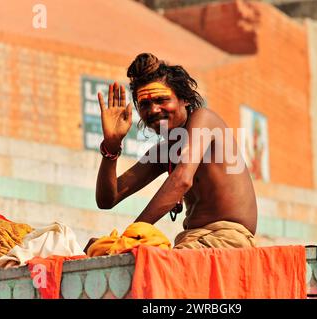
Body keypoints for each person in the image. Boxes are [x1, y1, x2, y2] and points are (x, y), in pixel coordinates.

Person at [92, 53, 258, 250]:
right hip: (192, 241)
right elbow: (107, 199)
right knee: (97, 249)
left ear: (184, 100)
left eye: (162, 100)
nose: (153, 110)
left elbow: (182, 179)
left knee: (136, 260)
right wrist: (111, 146)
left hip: (228, 239)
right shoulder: (165, 151)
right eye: (145, 104)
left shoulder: (203, 119)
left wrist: (132, 236)